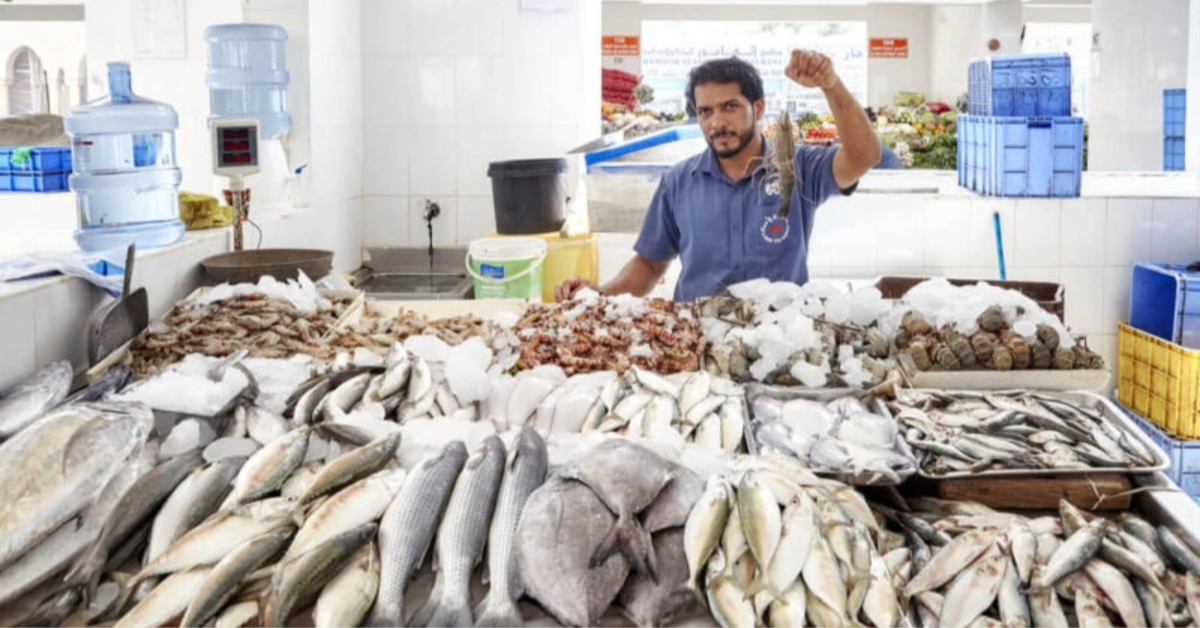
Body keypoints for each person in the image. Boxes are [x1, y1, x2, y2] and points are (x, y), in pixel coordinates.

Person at [555, 51, 881, 303]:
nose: (717, 123)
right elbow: (650, 265)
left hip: (780, 342)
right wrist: (600, 296)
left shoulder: (799, 167)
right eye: (705, 112)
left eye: (730, 106)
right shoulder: (679, 182)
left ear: (759, 107)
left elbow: (864, 155)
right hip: (696, 339)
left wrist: (830, 85)